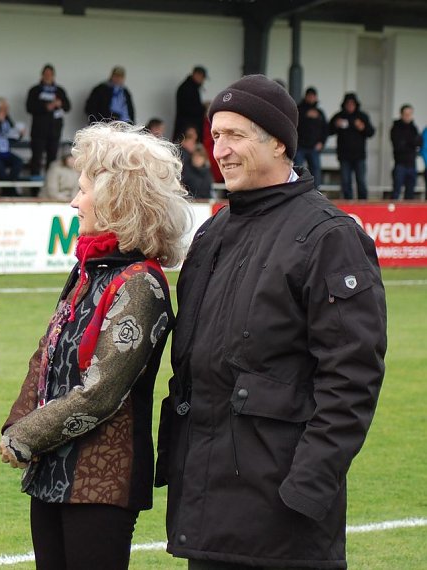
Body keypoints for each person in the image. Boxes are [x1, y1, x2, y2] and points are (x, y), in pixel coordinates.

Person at [156, 75, 386, 570]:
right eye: (215, 136)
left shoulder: (330, 238)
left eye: (235, 134)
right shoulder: (213, 233)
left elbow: (352, 379)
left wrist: (305, 489)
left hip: (283, 520)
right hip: (206, 511)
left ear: (279, 141)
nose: (221, 149)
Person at [0, 121, 190, 570]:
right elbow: (44, 356)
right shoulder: (91, 268)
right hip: (52, 471)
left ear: (117, 198)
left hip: (102, 481)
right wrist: (15, 428)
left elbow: (102, 391)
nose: (73, 200)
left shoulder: (141, 283)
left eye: (83, 189)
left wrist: (27, 436)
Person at [26, 64, 71, 177]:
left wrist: (60, 103)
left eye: (50, 75)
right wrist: (46, 107)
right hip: (38, 131)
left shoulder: (59, 91)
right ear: (42, 75)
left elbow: (68, 107)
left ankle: (50, 183)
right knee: (37, 158)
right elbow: (29, 107)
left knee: (52, 159)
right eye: (46, 74)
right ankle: (35, 189)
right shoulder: (35, 90)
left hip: (54, 131)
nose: (48, 77)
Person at [328, 92, 375, 200]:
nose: (350, 106)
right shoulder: (338, 116)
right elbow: (328, 131)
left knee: (361, 181)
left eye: (352, 103)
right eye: (348, 103)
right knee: (345, 182)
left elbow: (371, 132)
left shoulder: (362, 116)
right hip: (344, 156)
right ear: (344, 104)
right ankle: (348, 204)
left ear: (356, 104)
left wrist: (362, 127)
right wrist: (336, 125)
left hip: (359, 156)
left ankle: (363, 203)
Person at [294, 86, 328, 182]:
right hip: (300, 146)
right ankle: (296, 190)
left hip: (314, 147)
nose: (311, 98)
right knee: (297, 170)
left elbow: (325, 129)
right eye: (309, 96)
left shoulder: (320, 113)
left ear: (316, 98)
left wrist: (321, 142)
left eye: (313, 96)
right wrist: (305, 115)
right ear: (306, 97)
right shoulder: (298, 110)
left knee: (316, 170)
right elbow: (293, 125)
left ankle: (316, 191)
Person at [390, 104, 420, 200]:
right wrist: (411, 142)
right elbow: (398, 145)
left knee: (410, 193)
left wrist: (407, 142)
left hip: (412, 164)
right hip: (400, 164)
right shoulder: (396, 128)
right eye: (406, 114)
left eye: (410, 114)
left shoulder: (414, 128)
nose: (408, 116)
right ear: (401, 114)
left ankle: (409, 215)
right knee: (396, 192)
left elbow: (419, 142)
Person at [172, 65, 207, 141]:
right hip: (187, 127)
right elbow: (188, 109)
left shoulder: (190, 87)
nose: (203, 81)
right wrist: (203, 108)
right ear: (197, 75)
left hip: (187, 127)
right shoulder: (188, 88)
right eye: (202, 78)